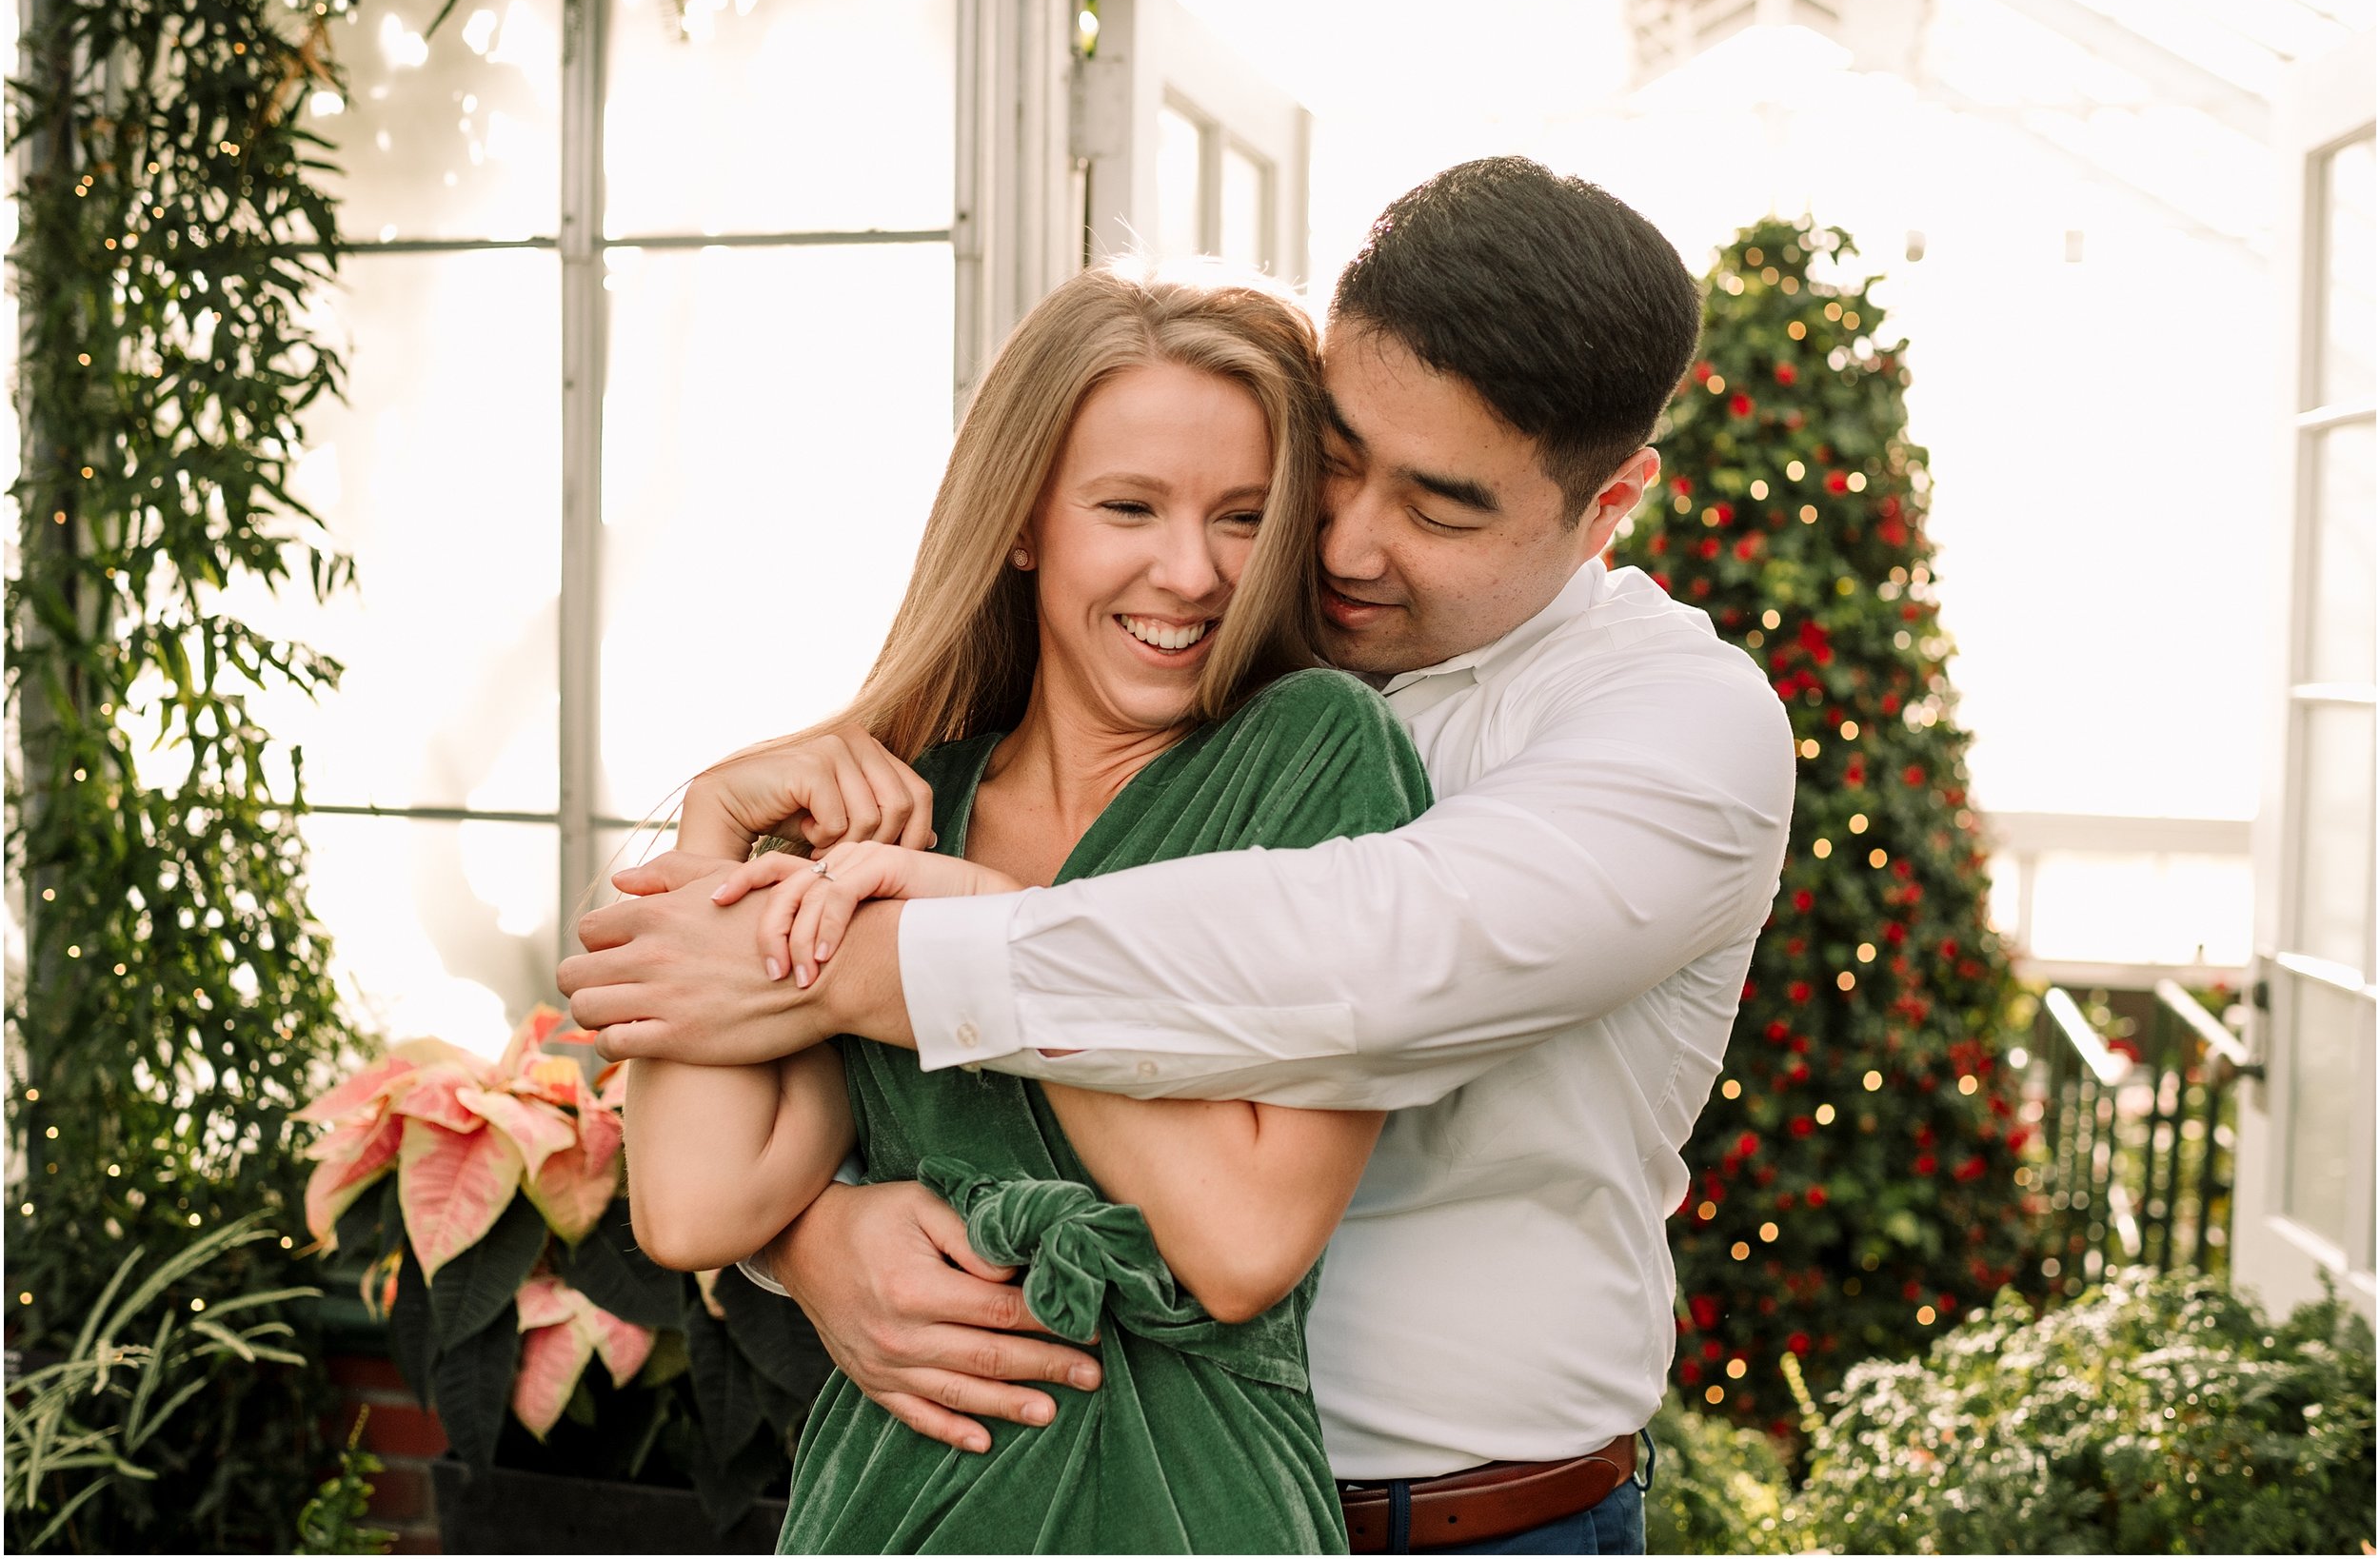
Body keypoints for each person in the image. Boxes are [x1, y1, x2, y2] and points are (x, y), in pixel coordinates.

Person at [565, 158, 1797, 1555]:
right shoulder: (1143, 674)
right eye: (1328, 462)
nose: (1341, 541)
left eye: (1441, 507)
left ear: (1609, 504)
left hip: (1454, 1519)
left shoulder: (1674, 731)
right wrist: (815, 1242)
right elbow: (721, 1182)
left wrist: (885, 948)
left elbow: (1363, 956)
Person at [616, 261, 1432, 1553]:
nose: (1190, 571)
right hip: (897, 1507)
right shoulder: (903, 807)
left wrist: (986, 933)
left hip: (1190, 1506)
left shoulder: (1317, 757)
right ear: (1023, 521)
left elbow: (1240, 1242)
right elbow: (692, 1205)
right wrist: (720, 825)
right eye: (1129, 506)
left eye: (1240, 515)